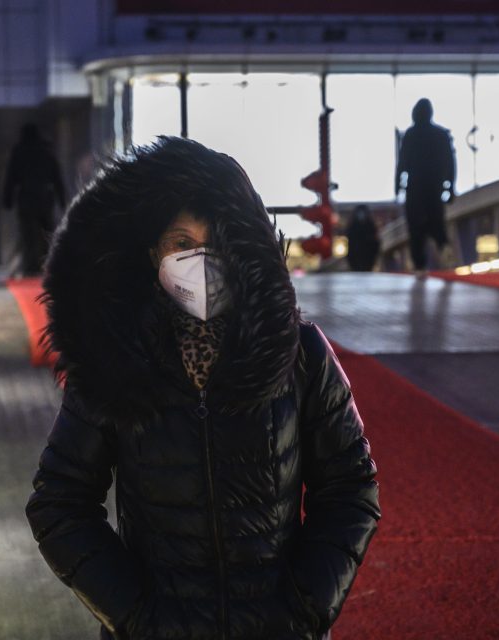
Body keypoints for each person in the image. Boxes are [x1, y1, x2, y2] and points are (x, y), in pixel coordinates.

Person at [25, 137, 380, 640]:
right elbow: (59, 503)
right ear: (154, 255)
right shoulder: (117, 361)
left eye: (216, 241)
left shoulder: (298, 353)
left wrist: (304, 609)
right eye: (182, 244)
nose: (202, 260)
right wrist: (136, 617)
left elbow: (351, 488)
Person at [396, 98, 456, 279]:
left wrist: (397, 184)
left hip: (414, 187)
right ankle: (444, 250)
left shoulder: (410, 135)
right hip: (434, 186)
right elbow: (450, 162)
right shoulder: (441, 135)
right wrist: (450, 186)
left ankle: (420, 266)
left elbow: (402, 162)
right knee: (437, 223)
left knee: (415, 228)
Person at [3, 123, 67, 276]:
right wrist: (62, 200)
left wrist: (8, 199)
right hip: (45, 198)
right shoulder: (47, 151)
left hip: (26, 198)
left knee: (28, 235)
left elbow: (11, 178)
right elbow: (57, 178)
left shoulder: (19, 152)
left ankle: (31, 268)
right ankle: (49, 265)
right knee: (47, 233)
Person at [345, 204, 381, 272]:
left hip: (368, 259)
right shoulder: (352, 228)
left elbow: (375, 244)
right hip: (355, 260)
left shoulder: (371, 227)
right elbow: (350, 245)